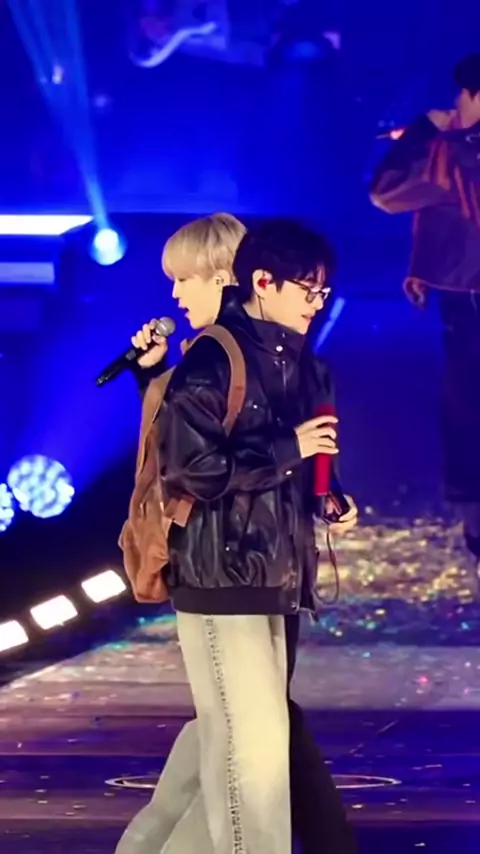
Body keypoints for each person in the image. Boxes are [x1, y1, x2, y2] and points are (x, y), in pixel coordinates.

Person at [116, 214, 357, 854]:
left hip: (271, 572)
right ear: (259, 281)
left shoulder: (291, 361)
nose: (176, 294)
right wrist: (289, 448)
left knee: (228, 750)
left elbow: (294, 458)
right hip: (224, 573)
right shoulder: (215, 358)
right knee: (249, 756)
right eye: (308, 289)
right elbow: (189, 463)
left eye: (186, 279)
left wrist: (327, 493)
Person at [370, 53, 480, 576]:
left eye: (461, 95)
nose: (454, 104)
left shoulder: (454, 151)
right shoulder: (455, 148)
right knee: (465, 405)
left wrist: (425, 133)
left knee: (468, 407)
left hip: (468, 296)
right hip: (465, 295)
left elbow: (388, 192)